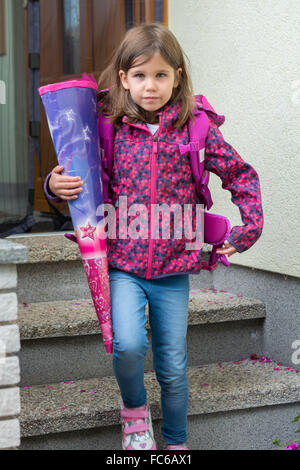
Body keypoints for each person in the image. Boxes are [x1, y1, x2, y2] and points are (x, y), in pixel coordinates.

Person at [44, 23, 263, 450]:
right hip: (123, 265)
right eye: (140, 75)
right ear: (123, 77)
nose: (150, 85)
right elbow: (79, 183)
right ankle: (135, 412)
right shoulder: (106, 127)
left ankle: (176, 444)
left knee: (174, 366)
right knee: (126, 346)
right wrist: (55, 188)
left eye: (161, 75)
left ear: (177, 77)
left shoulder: (196, 128)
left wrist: (249, 227)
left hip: (174, 269)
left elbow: (242, 175)